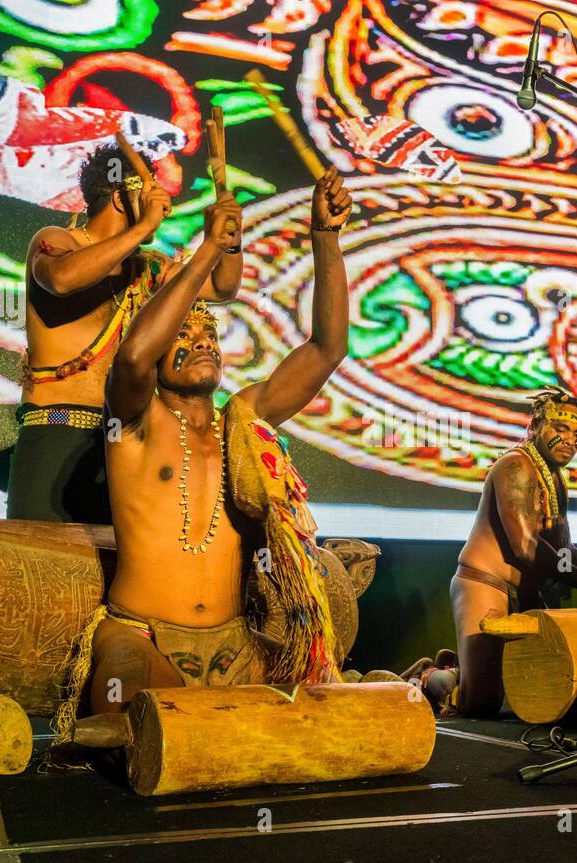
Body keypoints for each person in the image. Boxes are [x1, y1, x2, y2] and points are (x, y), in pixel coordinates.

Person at [50, 168, 354, 745]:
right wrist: (211, 249)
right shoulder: (132, 423)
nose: (200, 344)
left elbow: (326, 348)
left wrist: (325, 236)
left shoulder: (242, 418)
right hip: (145, 640)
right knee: (133, 708)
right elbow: (135, 356)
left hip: (237, 646)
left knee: (326, 719)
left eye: (209, 336)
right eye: (182, 339)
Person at [10, 143, 243, 522]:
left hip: (124, 442)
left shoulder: (144, 267)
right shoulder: (58, 241)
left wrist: (228, 238)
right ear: (122, 198)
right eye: (149, 192)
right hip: (55, 436)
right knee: (40, 568)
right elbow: (62, 279)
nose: (162, 204)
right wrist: (145, 227)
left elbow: (221, 287)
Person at [447, 388, 577, 717]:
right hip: (486, 583)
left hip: (527, 593)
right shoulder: (515, 467)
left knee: (533, 692)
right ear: (536, 426)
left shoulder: (555, 479)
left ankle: (461, 667)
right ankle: (436, 677)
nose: (570, 440)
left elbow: (563, 549)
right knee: (479, 704)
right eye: (560, 429)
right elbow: (524, 546)